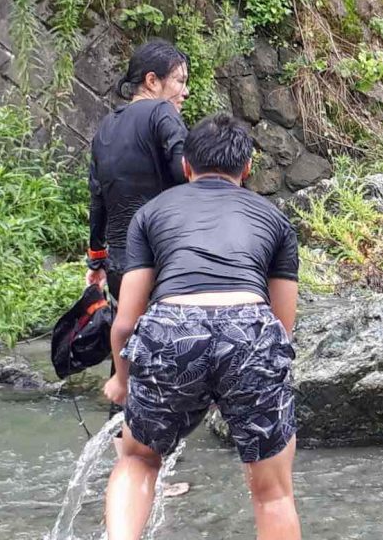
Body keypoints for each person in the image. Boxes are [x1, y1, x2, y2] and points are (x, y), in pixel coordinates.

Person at [102, 114, 301, 540]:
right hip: (250, 329)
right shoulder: (275, 218)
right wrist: (235, 378)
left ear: (186, 167)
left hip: (172, 327)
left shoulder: (151, 213)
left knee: (137, 460)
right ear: (246, 170)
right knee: (273, 492)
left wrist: (122, 380)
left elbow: (125, 323)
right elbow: (282, 329)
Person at [87, 39, 189, 433]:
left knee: (125, 354)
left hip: (118, 260)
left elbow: (97, 198)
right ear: (152, 80)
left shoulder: (106, 127)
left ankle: (119, 448)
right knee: (165, 354)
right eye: (179, 81)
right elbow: (186, 170)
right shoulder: (161, 112)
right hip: (160, 257)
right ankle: (155, 468)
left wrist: (96, 259)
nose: (184, 90)